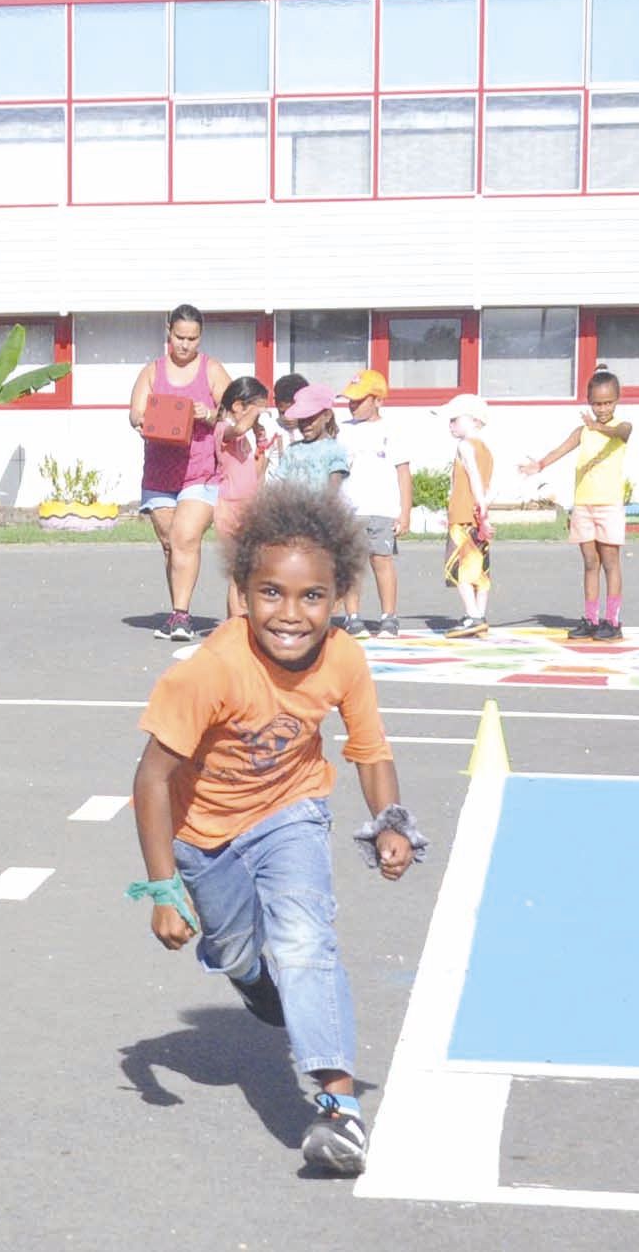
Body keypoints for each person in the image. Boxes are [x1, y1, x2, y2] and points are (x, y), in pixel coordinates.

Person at [127, 482, 425, 1177]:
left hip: (290, 811)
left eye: (311, 596)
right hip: (202, 835)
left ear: (339, 595)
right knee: (238, 951)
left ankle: (338, 1110)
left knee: (305, 941)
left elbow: (369, 749)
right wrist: (163, 890)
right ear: (240, 592)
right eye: (270, 593)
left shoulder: (344, 658)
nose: (290, 615)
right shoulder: (210, 671)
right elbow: (150, 781)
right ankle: (251, 976)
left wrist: (390, 821)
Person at [131, 305, 231, 642]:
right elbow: (135, 413)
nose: (185, 345)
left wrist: (210, 413)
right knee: (170, 544)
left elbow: (235, 411)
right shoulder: (153, 371)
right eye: (179, 337)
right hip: (160, 472)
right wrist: (145, 421)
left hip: (200, 470)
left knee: (185, 537)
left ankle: (182, 615)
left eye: (192, 339)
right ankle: (177, 611)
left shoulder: (212, 370)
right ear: (168, 333)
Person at [520, 367, 634, 641]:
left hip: (608, 506)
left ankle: (612, 621)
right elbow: (560, 449)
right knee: (590, 562)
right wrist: (539, 465)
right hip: (584, 505)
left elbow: (622, 431)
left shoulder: (621, 427)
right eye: (597, 403)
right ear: (589, 401)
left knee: (610, 562)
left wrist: (599, 427)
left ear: (617, 400)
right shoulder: (582, 431)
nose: (602, 408)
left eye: (608, 403)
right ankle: (591, 619)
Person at [336, 369, 411, 639]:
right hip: (348, 509)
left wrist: (404, 512)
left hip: (382, 508)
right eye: (350, 400)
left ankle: (389, 617)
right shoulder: (342, 430)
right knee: (352, 564)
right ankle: (352, 616)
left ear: (378, 400)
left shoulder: (391, 430)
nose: (352, 405)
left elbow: (403, 473)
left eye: (359, 400)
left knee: (382, 560)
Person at [213, 376, 274, 619]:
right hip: (230, 506)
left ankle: (245, 618)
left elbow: (257, 472)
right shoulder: (223, 429)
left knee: (251, 569)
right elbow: (237, 429)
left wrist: (261, 440)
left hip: (250, 505)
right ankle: (237, 622)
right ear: (238, 406)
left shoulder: (246, 437)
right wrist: (254, 416)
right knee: (238, 570)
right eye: (258, 408)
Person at [440, 393, 495, 639]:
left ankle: (473, 615)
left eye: (455, 419)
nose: (451, 424)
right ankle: (479, 614)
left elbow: (473, 477)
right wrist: (485, 511)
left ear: (474, 420)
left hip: (464, 515)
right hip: (478, 517)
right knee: (480, 568)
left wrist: (479, 505)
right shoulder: (487, 450)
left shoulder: (464, 446)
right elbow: (488, 484)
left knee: (460, 567)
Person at [262, 383, 349, 495]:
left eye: (311, 419)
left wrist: (326, 504)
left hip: (321, 505)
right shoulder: (292, 450)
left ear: (327, 416)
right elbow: (278, 481)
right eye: (302, 420)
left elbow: (333, 489)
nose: (305, 424)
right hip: (290, 505)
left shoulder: (334, 450)